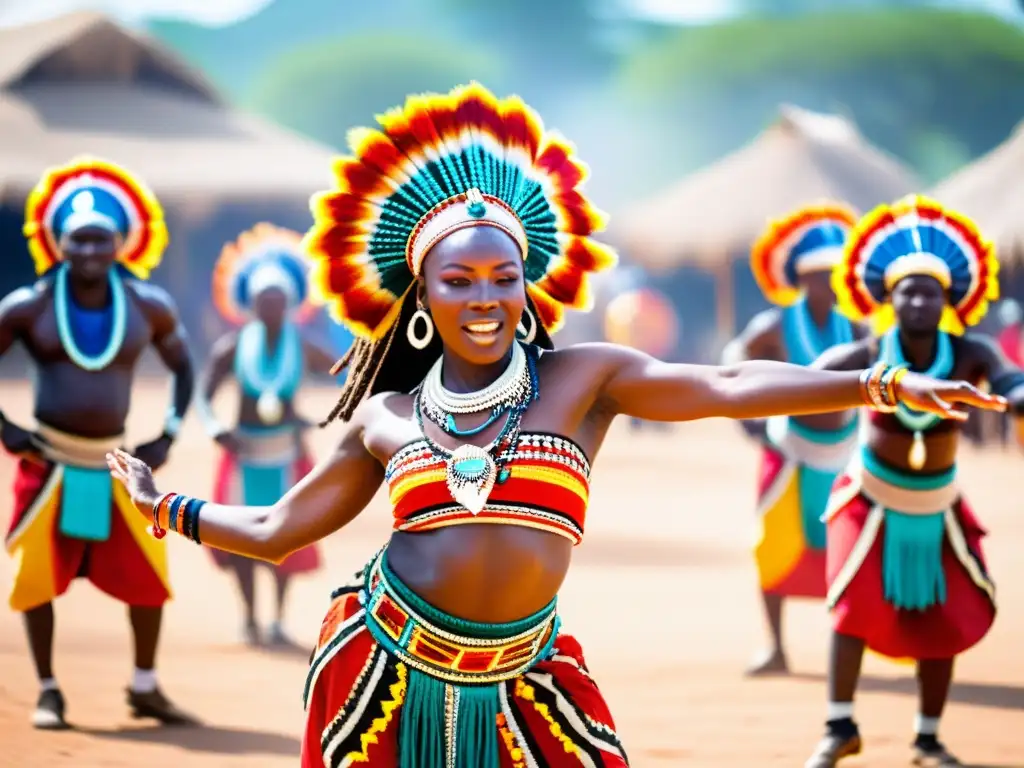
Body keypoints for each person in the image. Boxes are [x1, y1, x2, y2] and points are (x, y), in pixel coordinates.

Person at [105, 84, 1005, 768]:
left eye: (505, 276)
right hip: (382, 670)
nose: (486, 295)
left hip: (527, 677)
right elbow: (275, 528)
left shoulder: (585, 380)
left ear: (529, 285)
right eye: (459, 281)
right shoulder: (386, 416)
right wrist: (164, 507)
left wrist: (879, 384)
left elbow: (729, 383)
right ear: (421, 298)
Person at [802, 195, 1024, 768]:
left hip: (938, 505)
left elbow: (1008, 376)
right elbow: (811, 379)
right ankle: (839, 727)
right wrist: (782, 397)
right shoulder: (871, 351)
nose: (921, 300)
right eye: (909, 291)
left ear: (947, 302)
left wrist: (1017, 397)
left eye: (932, 292)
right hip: (869, 499)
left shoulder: (969, 351)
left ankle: (927, 739)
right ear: (889, 300)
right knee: (851, 610)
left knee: (942, 618)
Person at [2, 157, 196, 729]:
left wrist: (169, 433)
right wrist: (6, 429)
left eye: (100, 240)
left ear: (121, 244)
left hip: (118, 465)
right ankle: (47, 689)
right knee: (35, 577)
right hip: (48, 462)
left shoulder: (149, 305)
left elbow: (184, 370)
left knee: (150, 576)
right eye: (78, 240)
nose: (89, 251)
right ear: (58, 243)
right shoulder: (28, 306)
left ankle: (145, 685)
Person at [721, 203, 868, 675]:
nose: (830, 283)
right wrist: (750, 422)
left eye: (837, 274)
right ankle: (776, 647)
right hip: (788, 452)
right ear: (802, 279)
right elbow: (734, 359)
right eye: (822, 274)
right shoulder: (774, 326)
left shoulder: (857, 327)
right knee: (772, 548)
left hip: (845, 453)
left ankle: (851, 642)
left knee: (851, 547)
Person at [199, 223, 338, 647]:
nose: (271, 309)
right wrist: (216, 428)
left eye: (278, 301)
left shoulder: (304, 345)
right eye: (263, 301)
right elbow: (204, 397)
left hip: (287, 454)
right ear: (250, 303)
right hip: (243, 455)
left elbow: (344, 374)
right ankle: (249, 618)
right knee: (240, 538)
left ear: (291, 303)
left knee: (285, 538)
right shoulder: (233, 346)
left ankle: (277, 619)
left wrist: (310, 418)